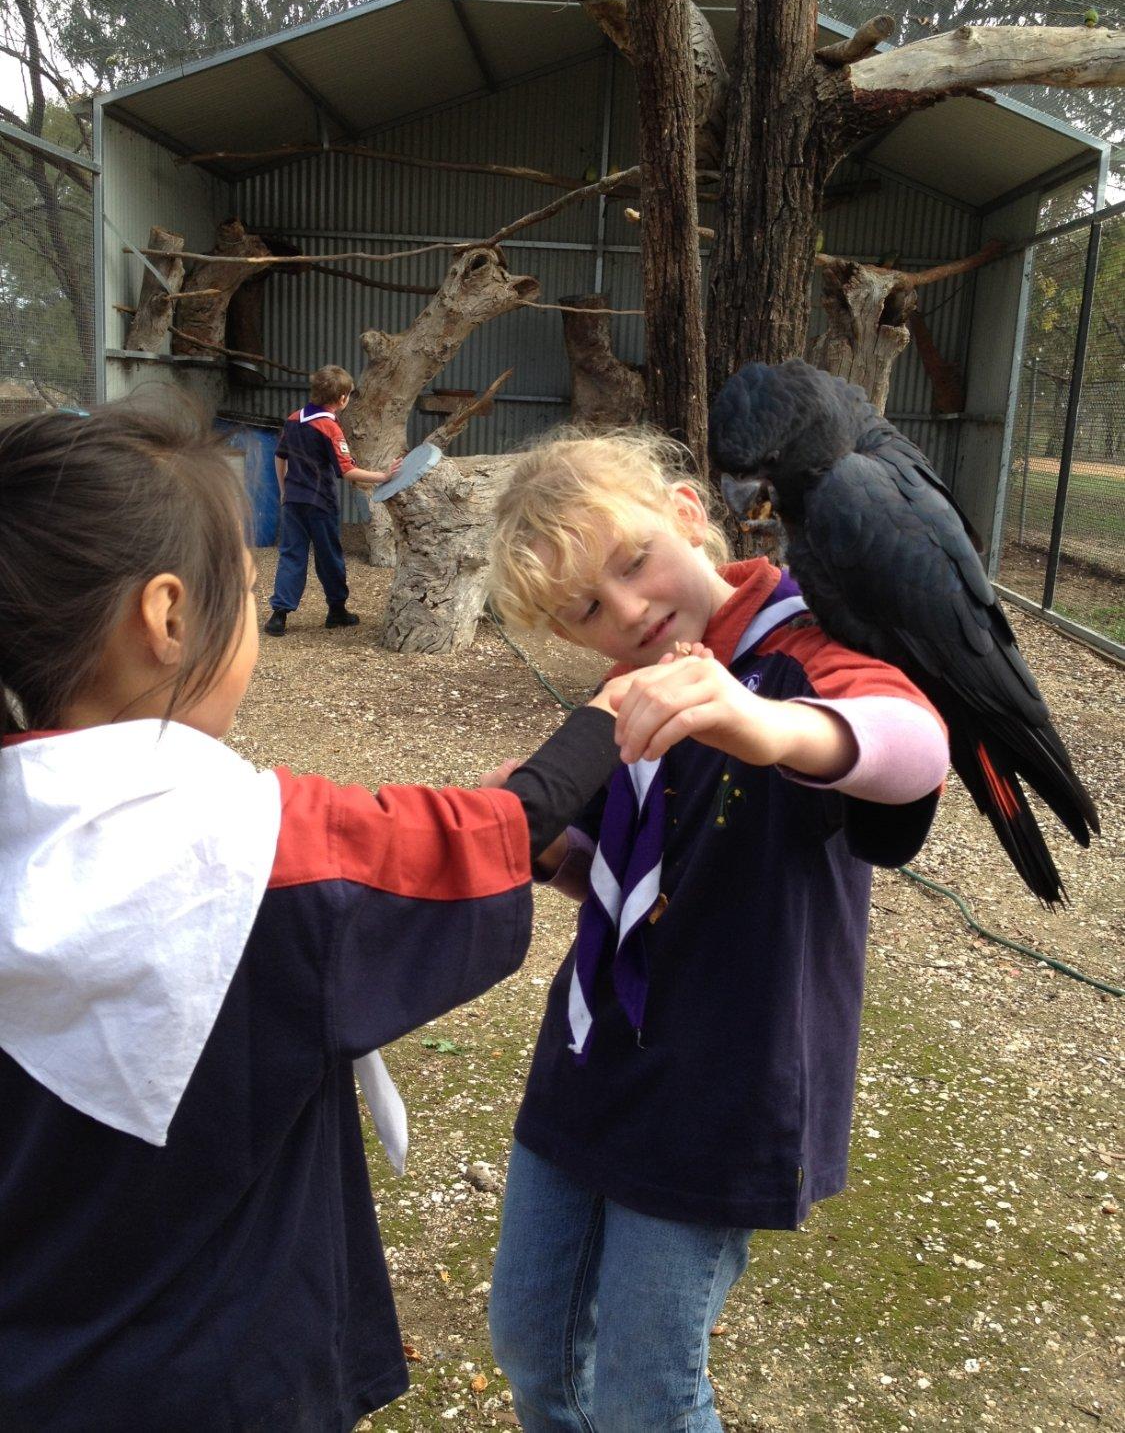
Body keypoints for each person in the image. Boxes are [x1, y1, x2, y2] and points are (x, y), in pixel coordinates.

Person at [0, 399, 639, 1432]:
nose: (251, 615)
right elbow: (472, 836)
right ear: (166, 620)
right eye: (247, 596)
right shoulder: (243, 851)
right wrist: (607, 719)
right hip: (216, 1373)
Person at [485, 428, 951, 1433]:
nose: (632, 610)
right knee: (529, 1334)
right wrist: (539, 850)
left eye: (634, 561)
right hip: (594, 1053)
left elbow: (916, 750)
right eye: (588, 610)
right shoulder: (633, 691)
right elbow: (621, 875)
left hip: (723, 1075)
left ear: (688, 513)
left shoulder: (803, 642)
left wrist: (764, 725)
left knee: (648, 1388)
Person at [264, 364, 400, 636]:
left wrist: (283, 491)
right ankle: (336, 610)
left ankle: (279, 615)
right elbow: (347, 470)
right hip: (320, 503)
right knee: (329, 558)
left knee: (291, 555)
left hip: (293, 502)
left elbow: (280, 456)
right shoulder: (329, 427)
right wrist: (383, 476)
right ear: (342, 399)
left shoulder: (293, 419)